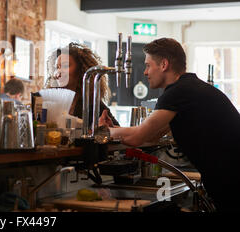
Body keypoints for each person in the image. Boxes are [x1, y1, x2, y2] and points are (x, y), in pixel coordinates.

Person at [99, 38, 240, 211]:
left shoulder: (178, 92)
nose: (145, 72)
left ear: (164, 64)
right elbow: (152, 135)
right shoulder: (190, 87)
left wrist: (104, 132)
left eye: (148, 65)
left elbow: (136, 138)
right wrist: (114, 130)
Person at [45, 42, 119, 127]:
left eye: (65, 66)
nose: (59, 72)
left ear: (81, 70)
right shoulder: (50, 99)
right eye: (57, 67)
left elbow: (116, 130)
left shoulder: (92, 103)